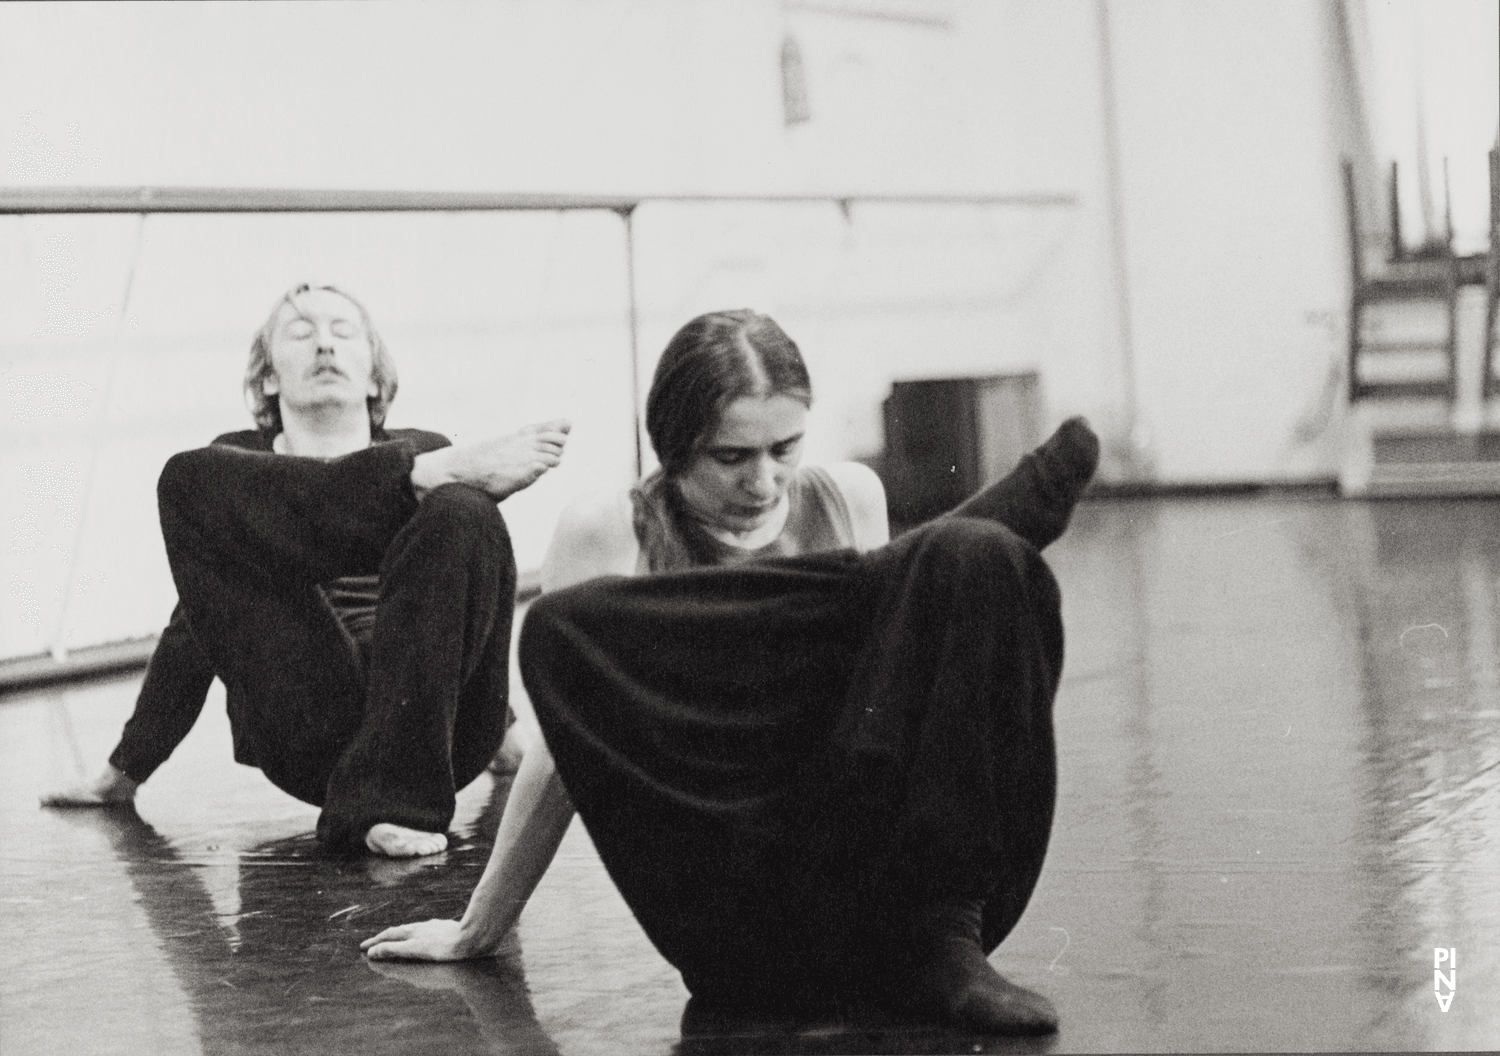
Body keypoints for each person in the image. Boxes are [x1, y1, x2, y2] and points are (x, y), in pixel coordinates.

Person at [362, 309, 1098, 1033]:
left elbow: (900, 700)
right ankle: (962, 537)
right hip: (737, 909)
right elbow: (561, 755)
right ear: (674, 446)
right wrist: (479, 926)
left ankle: (945, 943)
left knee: (971, 562)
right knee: (563, 630)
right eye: (732, 457)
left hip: (894, 896)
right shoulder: (610, 528)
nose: (765, 482)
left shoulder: (846, 496)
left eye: (786, 448)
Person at [42, 283, 571, 858]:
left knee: (462, 508)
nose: (324, 345)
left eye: (343, 333)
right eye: (301, 333)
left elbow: (460, 605)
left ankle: (392, 803)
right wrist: (127, 768)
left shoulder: (431, 451)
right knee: (189, 479)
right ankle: (404, 483)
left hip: (439, 742)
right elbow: (197, 622)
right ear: (268, 378)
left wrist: (505, 731)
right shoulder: (237, 465)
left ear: (374, 377)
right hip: (311, 732)